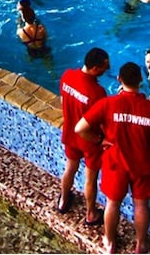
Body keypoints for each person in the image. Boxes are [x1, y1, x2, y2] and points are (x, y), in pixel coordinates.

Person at [75, 62, 150, 255]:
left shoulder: (107, 104)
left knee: (112, 203)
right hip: (142, 163)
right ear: (141, 80)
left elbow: (79, 128)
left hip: (115, 163)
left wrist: (99, 140)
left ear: (119, 80)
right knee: (141, 205)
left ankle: (109, 243)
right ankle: (141, 245)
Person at [58, 47, 110, 225]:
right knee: (90, 179)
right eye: (104, 67)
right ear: (95, 68)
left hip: (70, 134)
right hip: (90, 141)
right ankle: (91, 214)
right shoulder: (97, 92)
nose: (107, 70)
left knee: (70, 168)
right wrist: (102, 139)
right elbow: (102, 122)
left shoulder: (67, 76)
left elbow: (63, 101)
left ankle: (63, 201)